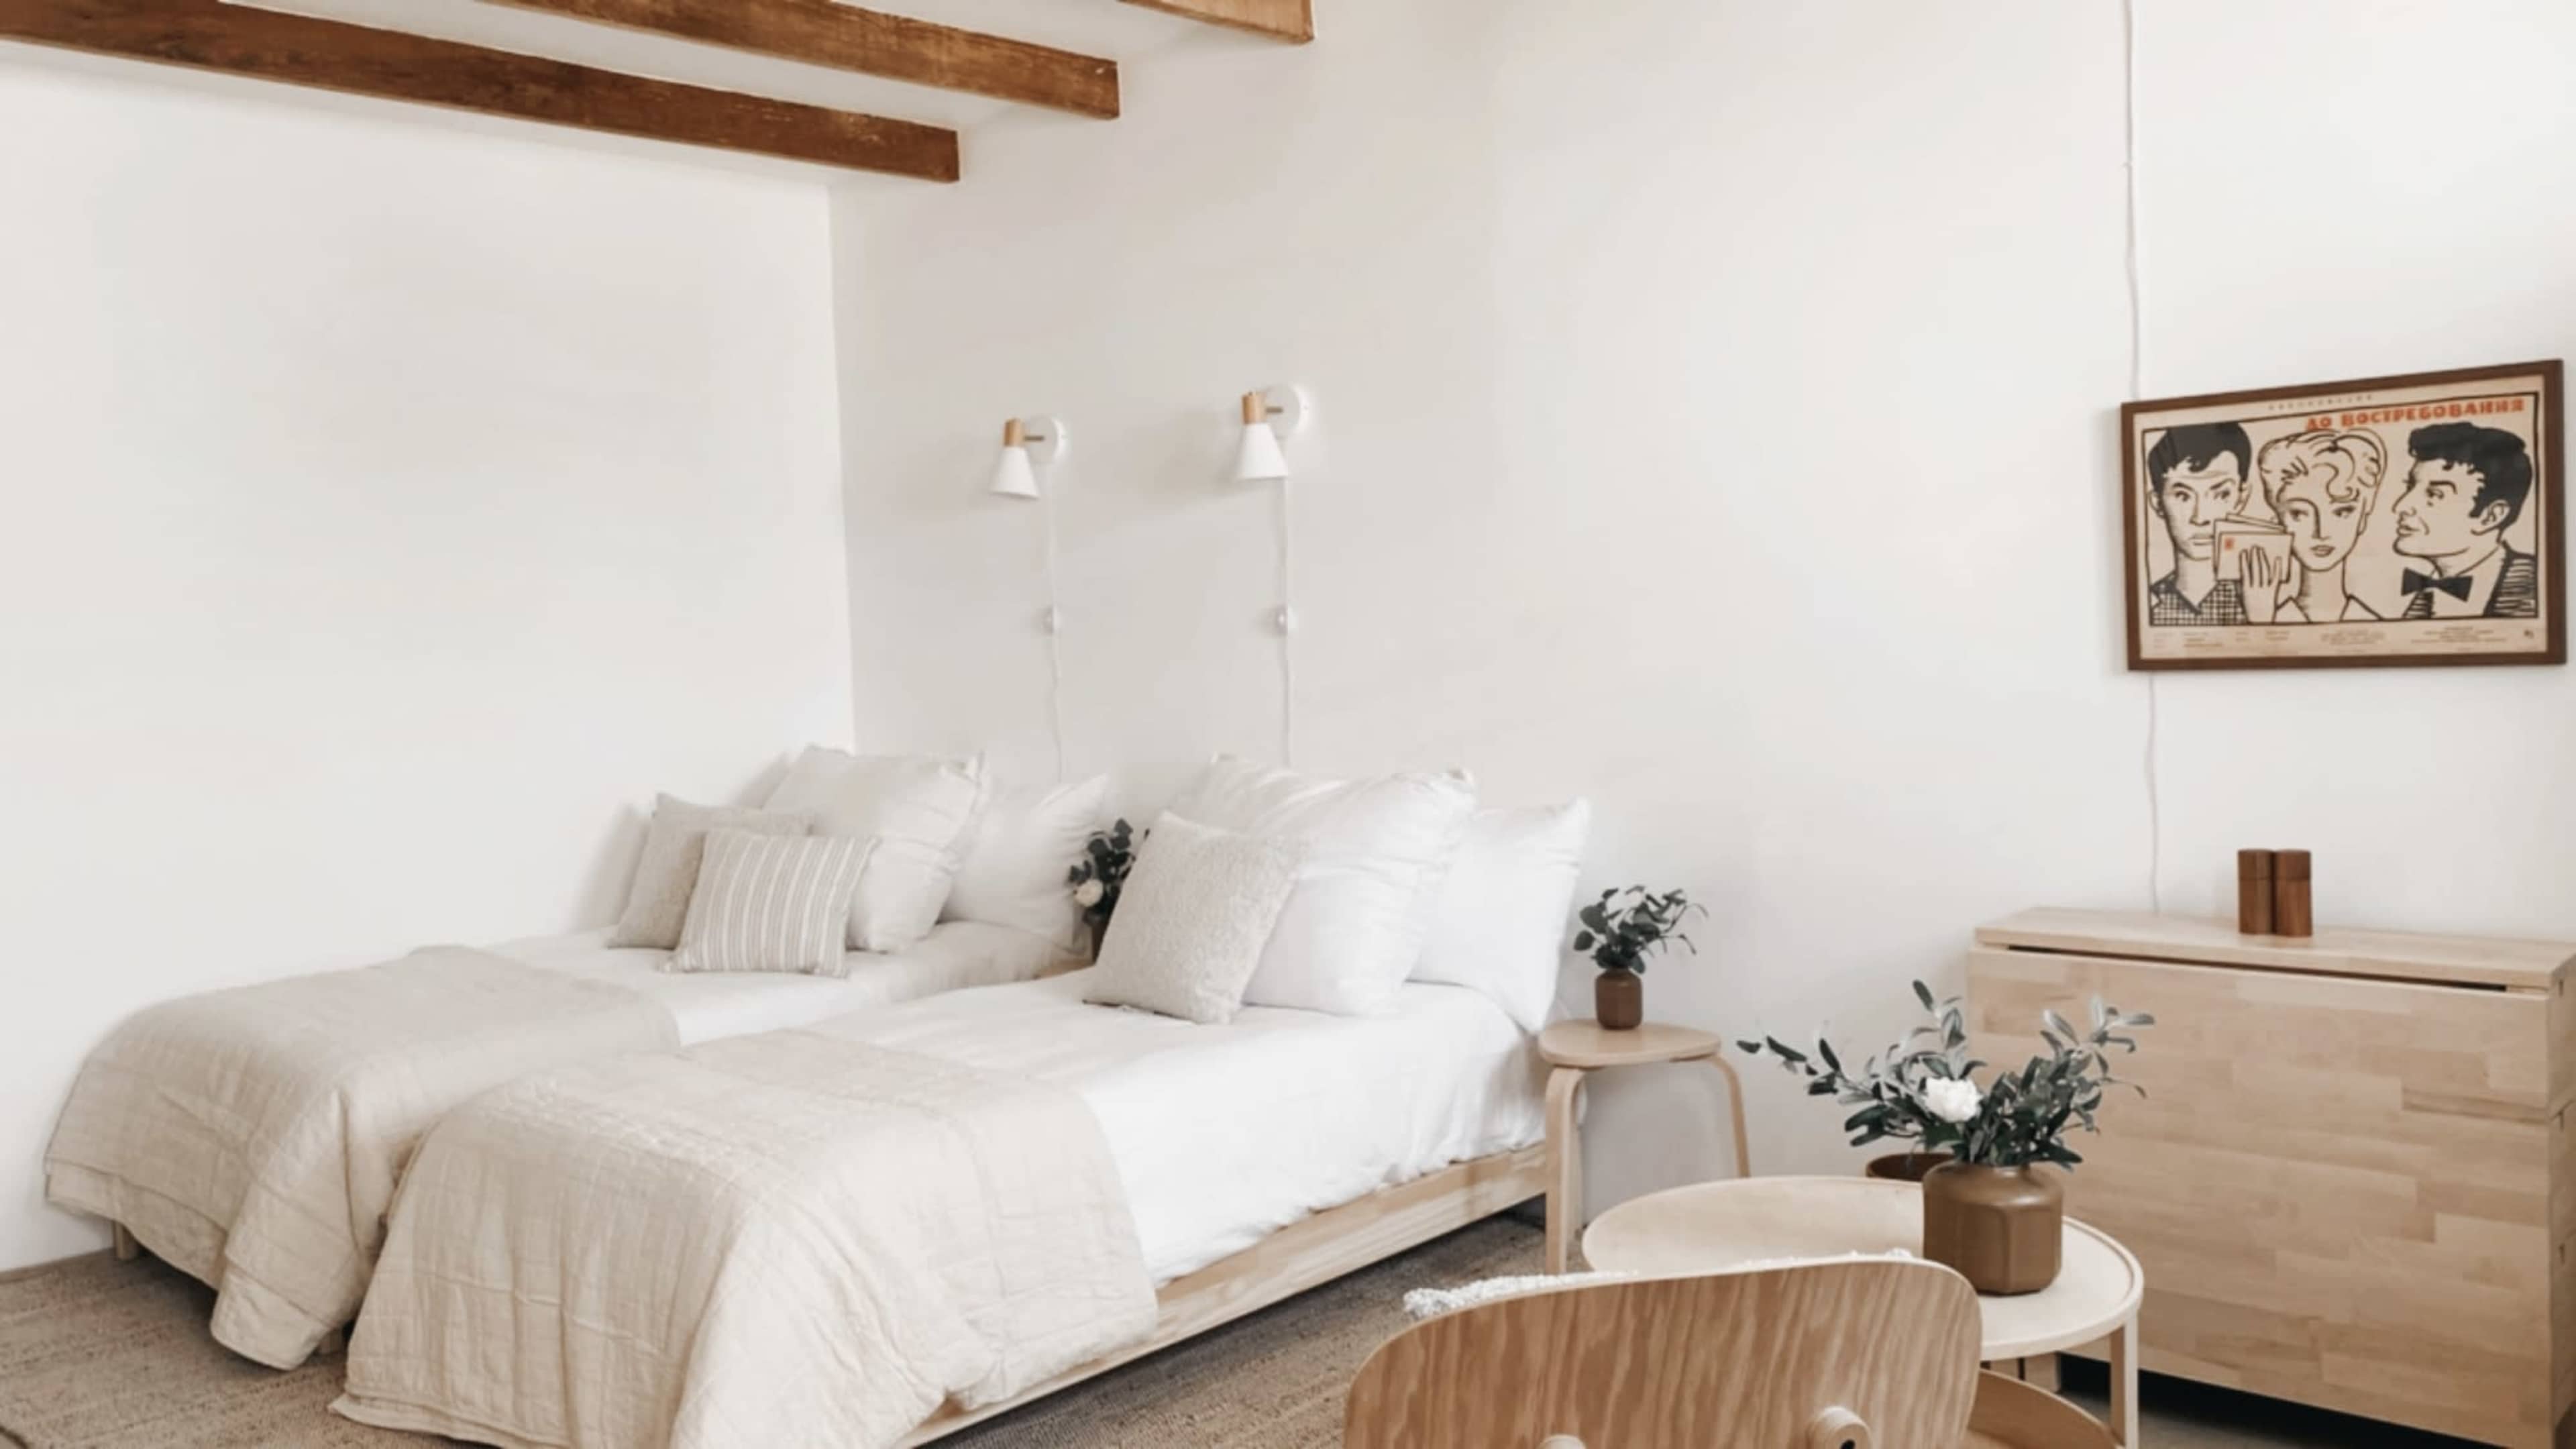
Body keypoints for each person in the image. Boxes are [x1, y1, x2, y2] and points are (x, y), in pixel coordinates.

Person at [2388, 421, 2541, 620]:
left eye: (2434, 494)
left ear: (2490, 517)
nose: (2401, 506)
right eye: (2410, 487)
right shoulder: (2420, 598)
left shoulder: (2535, 586)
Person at [2256, 429, 2389, 623]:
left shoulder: (2377, 626)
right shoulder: (2266, 618)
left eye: (2342, 512)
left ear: (2362, 519)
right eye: (2299, 514)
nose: (2321, 532)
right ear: (2278, 521)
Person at [2142, 421, 2257, 626]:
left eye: (2221, 494)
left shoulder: (2258, 604)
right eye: (2183, 496)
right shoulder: (2146, 605)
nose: (2200, 517)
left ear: (2242, 498)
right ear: (2158, 503)